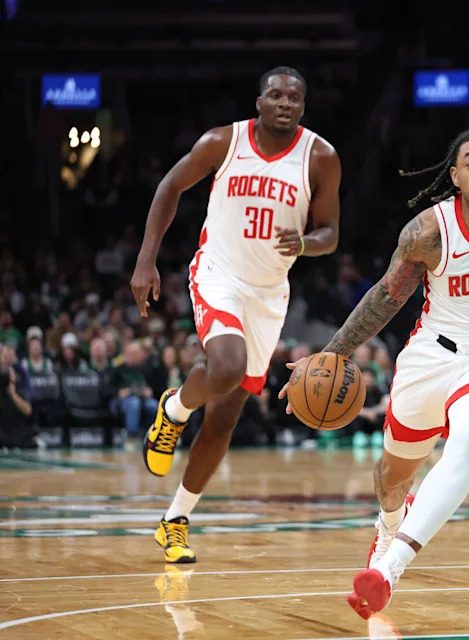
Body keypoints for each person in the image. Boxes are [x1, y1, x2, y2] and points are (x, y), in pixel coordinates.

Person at [280, 128, 469, 619]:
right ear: (455, 177)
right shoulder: (428, 232)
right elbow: (385, 297)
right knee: (393, 478)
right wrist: (331, 356)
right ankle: (388, 524)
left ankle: (388, 569)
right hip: (432, 357)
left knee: (468, 440)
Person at [130, 65, 341, 563]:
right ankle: (175, 410)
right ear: (259, 102)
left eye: (294, 97)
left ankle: (175, 519)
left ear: (303, 107)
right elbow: (169, 187)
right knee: (223, 369)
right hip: (218, 275)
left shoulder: (321, 157)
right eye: (275, 95)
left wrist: (307, 244)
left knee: (224, 419)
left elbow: (331, 233)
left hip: (269, 295)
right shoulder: (223, 142)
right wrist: (146, 260)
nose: (285, 102)